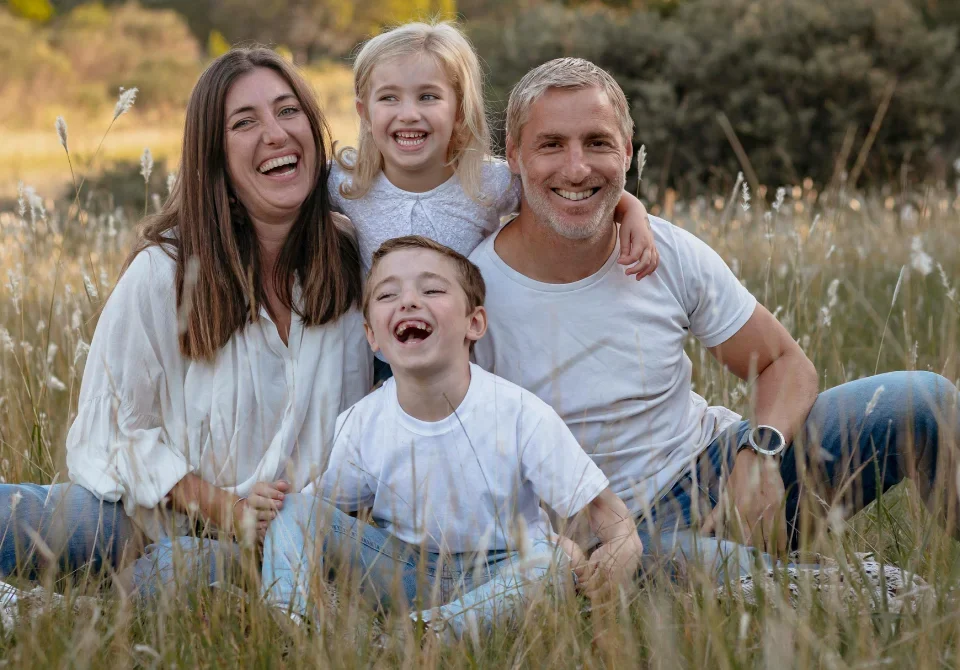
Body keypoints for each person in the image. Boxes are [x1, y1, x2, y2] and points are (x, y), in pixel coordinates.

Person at [469, 57, 960, 579]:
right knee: (730, 574)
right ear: (514, 155)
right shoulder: (472, 291)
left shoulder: (667, 250)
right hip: (608, 537)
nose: (576, 168)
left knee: (924, 399)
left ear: (627, 152)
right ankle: (797, 582)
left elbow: (783, 363)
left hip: (717, 473)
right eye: (551, 145)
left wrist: (760, 452)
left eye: (597, 143)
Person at [0, 47, 371, 599]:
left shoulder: (353, 258)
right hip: (142, 519)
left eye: (288, 110)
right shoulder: (166, 271)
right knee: (18, 514)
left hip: (280, 547)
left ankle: (55, 610)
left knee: (187, 572)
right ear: (214, 156)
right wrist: (230, 510)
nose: (276, 134)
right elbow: (119, 433)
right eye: (244, 122)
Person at [260, 236, 644, 641]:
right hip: (405, 573)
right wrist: (273, 514)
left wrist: (622, 542)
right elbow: (319, 515)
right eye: (388, 294)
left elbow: (604, 509)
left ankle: (421, 635)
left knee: (550, 566)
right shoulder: (362, 422)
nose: (409, 301)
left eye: (432, 290)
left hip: (500, 571)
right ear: (372, 336)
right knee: (294, 510)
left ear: (473, 323)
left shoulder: (519, 414)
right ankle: (289, 625)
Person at [328, 22, 660, 383]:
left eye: (428, 97)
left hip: (471, 352)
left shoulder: (488, 183)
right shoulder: (347, 181)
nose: (408, 113)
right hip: (381, 352)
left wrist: (631, 210)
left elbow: (564, 191)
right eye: (388, 98)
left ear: (459, 111)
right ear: (364, 111)